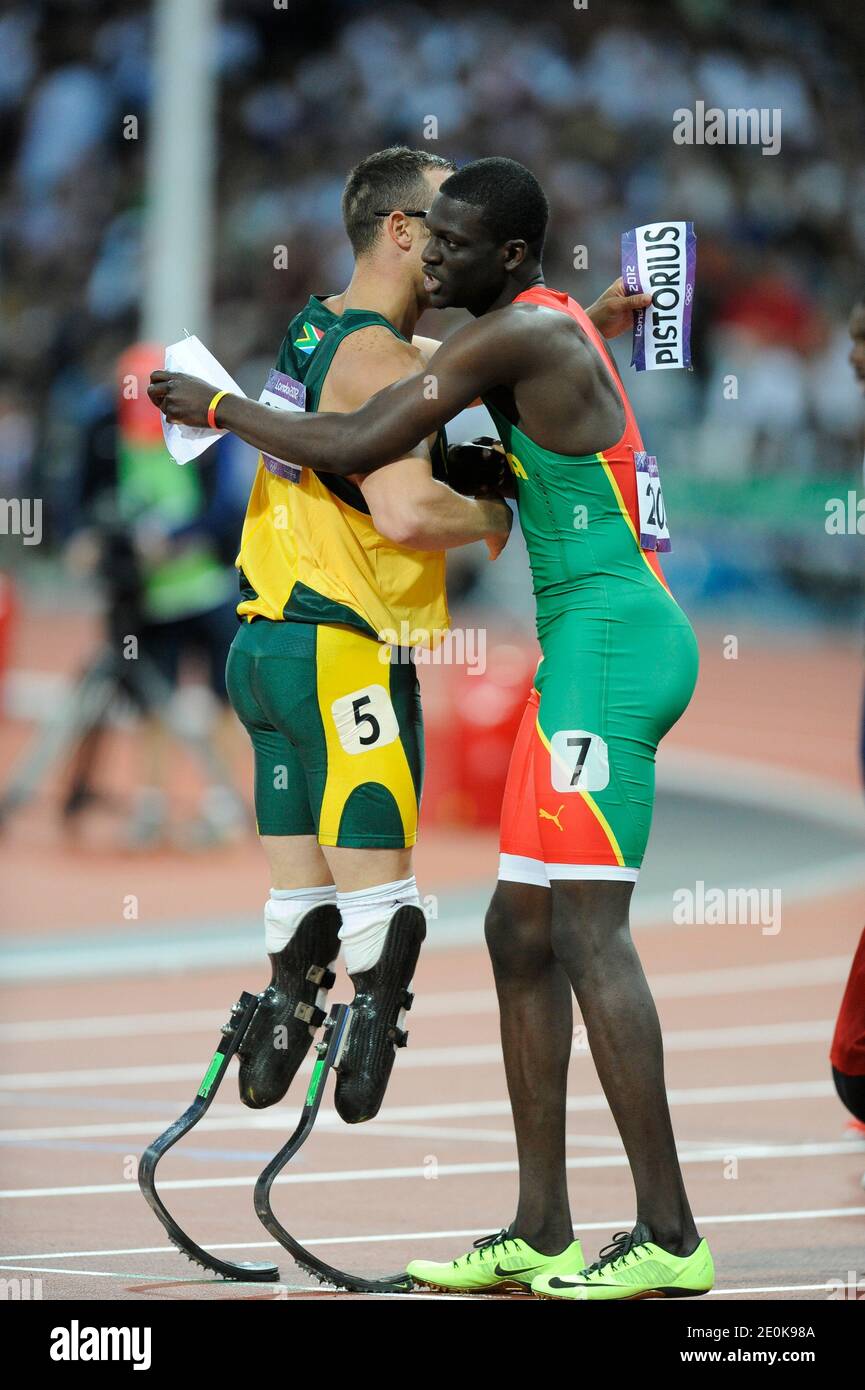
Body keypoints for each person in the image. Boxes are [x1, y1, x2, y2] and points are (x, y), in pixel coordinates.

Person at [149, 155, 707, 1301]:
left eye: (452, 243)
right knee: (517, 932)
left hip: (610, 651)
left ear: (505, 256)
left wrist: (217, 409)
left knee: (591, 938)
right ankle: (540, 1228)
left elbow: (359, 448)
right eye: (426, 235)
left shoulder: (514, 339)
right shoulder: (538, 326)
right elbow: (505, 400)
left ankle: (668, 1233)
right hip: (583, 655)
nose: (430, 256)